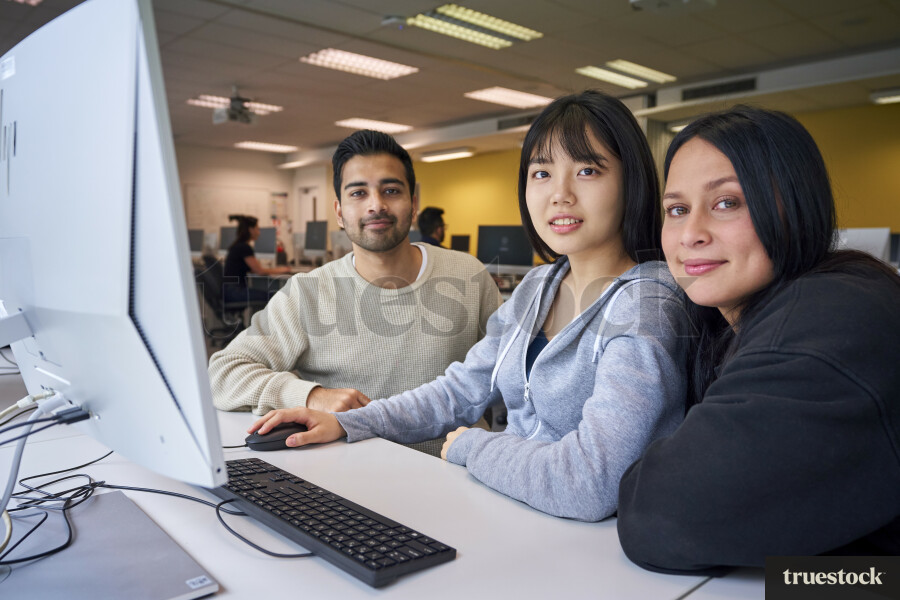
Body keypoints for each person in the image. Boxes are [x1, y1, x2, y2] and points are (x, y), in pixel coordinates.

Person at [248, 90, 691, 522]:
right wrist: (351, 424)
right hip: (510, 511)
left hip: (592, 548)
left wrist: (469, 446)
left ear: (630, 181)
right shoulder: (539, 285)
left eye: (588, 170)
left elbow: (589, 483)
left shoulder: (646, 303)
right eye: (541, 173)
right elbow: (459, 390)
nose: (560, 194)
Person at [616, 106, 900, 573]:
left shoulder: (832, 314)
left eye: (727, 202)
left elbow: (664, 516)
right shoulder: (724, 323)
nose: (690, 234)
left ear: (793, 204)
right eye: (677, 210)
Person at [209, 130, 502, 423]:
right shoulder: (307, 292)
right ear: (339, 212)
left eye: (391, 190)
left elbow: (517, 371)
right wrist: (311, 396)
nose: (376, 205)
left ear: (413, 205)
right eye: (358, 193)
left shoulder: (468, 275)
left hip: (453, 464)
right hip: (349, 466)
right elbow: (222, 374)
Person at [222, 214, 291, 303]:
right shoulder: (244, 247)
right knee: (274, 296)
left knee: (268, 294)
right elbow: (260, 271)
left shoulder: (238, 246)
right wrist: (282, 270)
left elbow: (253, 270)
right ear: (251, 230)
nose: (259, 232)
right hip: (235, 292)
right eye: (257, 229)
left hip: (230, 291)